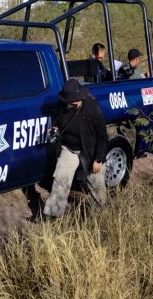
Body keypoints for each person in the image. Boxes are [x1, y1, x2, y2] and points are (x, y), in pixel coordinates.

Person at [43, 79, 109, 218]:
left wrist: (98, 159)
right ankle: (53, 215)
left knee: (97, 185)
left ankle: (101, 213)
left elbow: (102, 136)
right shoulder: (62, 104)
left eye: (73, 101)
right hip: (69, 148)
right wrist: (55, 128)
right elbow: (59, 121)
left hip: (90, 151)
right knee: (61, 180)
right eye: (68, 101)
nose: (70, 104)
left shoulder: (92, 108)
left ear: (80, 98)